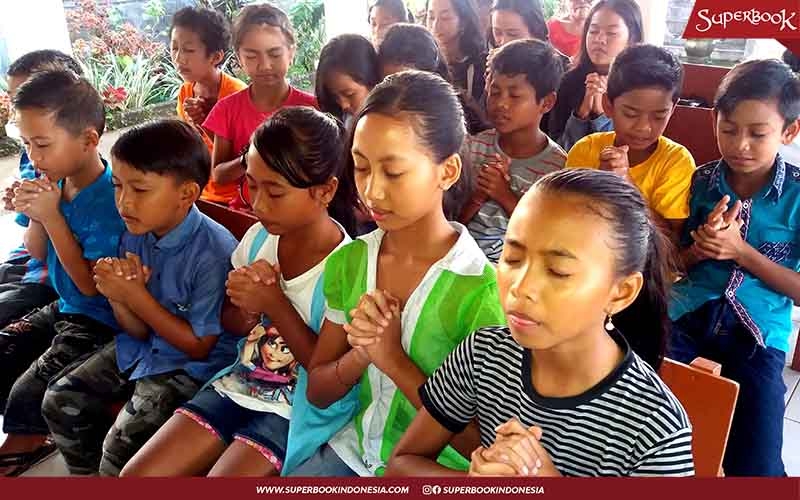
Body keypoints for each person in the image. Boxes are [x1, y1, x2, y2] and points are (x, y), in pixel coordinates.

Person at [387, 169, 694, 477]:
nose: (521, 287)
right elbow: (401, 466)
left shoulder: (656, 428)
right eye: (512, 259)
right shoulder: (484, 355)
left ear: (621, 292)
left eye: (558, 271)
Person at [120, 107, 359, 477]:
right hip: (241, 381)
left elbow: (325, 374)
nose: (258, 204)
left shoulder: (348, 268)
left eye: (275, 192)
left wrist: (275, 305)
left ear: (325, 190)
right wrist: (244, 311)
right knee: (137, 476)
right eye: (252, 184)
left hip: (297, 406)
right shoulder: (258, 238)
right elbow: (231, 323)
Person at [290, 71, 506, 477]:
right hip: (355, 453)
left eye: (392, 172)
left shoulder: (481, 292)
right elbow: (318, 391)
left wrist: (393, 360)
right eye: (361, 167)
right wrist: (361, 355)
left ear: (447, 171)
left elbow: (480, 442)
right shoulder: (351, 262)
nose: (371, 192)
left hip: (436, 470)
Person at [39, 120, 238, 476]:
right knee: (60, 399)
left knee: (119, 449)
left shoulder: (214, 252)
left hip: (192, 369)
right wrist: (117, 297)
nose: (123, 202)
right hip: (147, 347)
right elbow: (139, 332)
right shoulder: (135, 234)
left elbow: (199, 347)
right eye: (117, 186)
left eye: (140, 190)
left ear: (187, 194)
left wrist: (136, 295)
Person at [670, 59, 800, 477]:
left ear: (789, 131)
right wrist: (700, 249)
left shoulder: (797, 196)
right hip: (686, 315)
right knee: (638, 419)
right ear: (715, 122)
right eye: (729, 129)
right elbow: (674, 265)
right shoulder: (701, 182)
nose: (740, 144)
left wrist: (741, 252)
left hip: (757, 334)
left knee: (758, 463)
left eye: (758, 134)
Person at [0, 71, 125, 476]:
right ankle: (28, 435)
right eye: (27, 145)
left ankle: (32, 442)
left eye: (42, 145)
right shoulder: (53, 179)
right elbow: (36, 252)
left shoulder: (111, 200)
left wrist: (52, 217)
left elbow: (92, 286)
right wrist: (38, 214)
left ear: (89, 140)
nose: (33, 158)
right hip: (65, 303)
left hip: (100, 318)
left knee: (32, 389)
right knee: (4, 347)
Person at [565, 44, 694, 245]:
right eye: (631, 114)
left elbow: (671, 242)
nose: (643, 127)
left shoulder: (675, 160)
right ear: (608, 105)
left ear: (672, 109)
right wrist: (600, 182)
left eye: (659, 115)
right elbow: (570, 221)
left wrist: (626, 186)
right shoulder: (585, 150)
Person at [0, 50, 84, 333]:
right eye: (16, 100)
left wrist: (44, 213)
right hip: (28, 262)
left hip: (51, 282)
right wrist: (28, 206)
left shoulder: (103, 188)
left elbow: (88, 287)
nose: (19, 109)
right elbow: (32, 246)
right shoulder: (37, 157)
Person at [460, 40, 566, 263]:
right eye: (495, 92)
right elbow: (451, 222)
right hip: (462, 262)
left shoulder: (557, 168)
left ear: (546, 103)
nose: (501, 104)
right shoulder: (473, 147)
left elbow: (545, 239)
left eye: (515, 96)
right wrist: (478, 197)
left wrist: (504, 194)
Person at [203, 3, 317, 211]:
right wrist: (251, 158)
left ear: (291, 53)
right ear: (239, 58)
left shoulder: (312, 108)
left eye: (274, 54)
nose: (264, 65)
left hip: (301, 214)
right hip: (248, 213)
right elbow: (218, 175)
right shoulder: (227, 109)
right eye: (252, 56)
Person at [170, 6, 248, 204]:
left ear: (216, 57)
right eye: (174, 47)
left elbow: (247, 157)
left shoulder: (237, 94)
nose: (179, 58)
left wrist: (207, 122)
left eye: (188, 50)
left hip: (235, 197)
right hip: (199, 191)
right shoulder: (185, 92)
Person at [548, 0, 643, 151]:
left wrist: (601, 114)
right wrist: (581, 115)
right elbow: (556, 150)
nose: (599, 39)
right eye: (593, 31)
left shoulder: (641, 87)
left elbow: (631, 152)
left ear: (632, 39)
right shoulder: (568, 81)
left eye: (611, 33)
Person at [377, 23, 490, 136]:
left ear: (434, 78)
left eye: (410, 85)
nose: (399, 95)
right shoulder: (374, 118)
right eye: (389, 84)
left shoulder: (459, 120)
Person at [427, 0, 487, 104]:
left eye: (445, 18)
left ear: (464, 22)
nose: (435, 25)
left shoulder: (480, 66)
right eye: (431, 17)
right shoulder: (423, 61)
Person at [315, 34, 381, 127]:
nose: (343, 105)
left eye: (349, 94)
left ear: (373, 81)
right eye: (335, 97)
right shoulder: (343, 123)